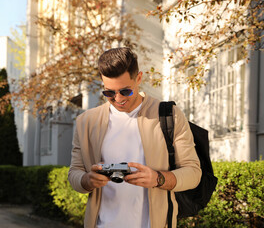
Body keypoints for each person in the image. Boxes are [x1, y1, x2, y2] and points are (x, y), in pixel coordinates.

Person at [68, 47, 202, 228]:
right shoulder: (86, 122)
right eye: (109, 93)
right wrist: (87, 180)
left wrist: (158, 179)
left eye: (125, 91)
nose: (118, 99)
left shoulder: (168, 115)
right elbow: (75, 173)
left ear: (139, 78)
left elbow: (194, 173)